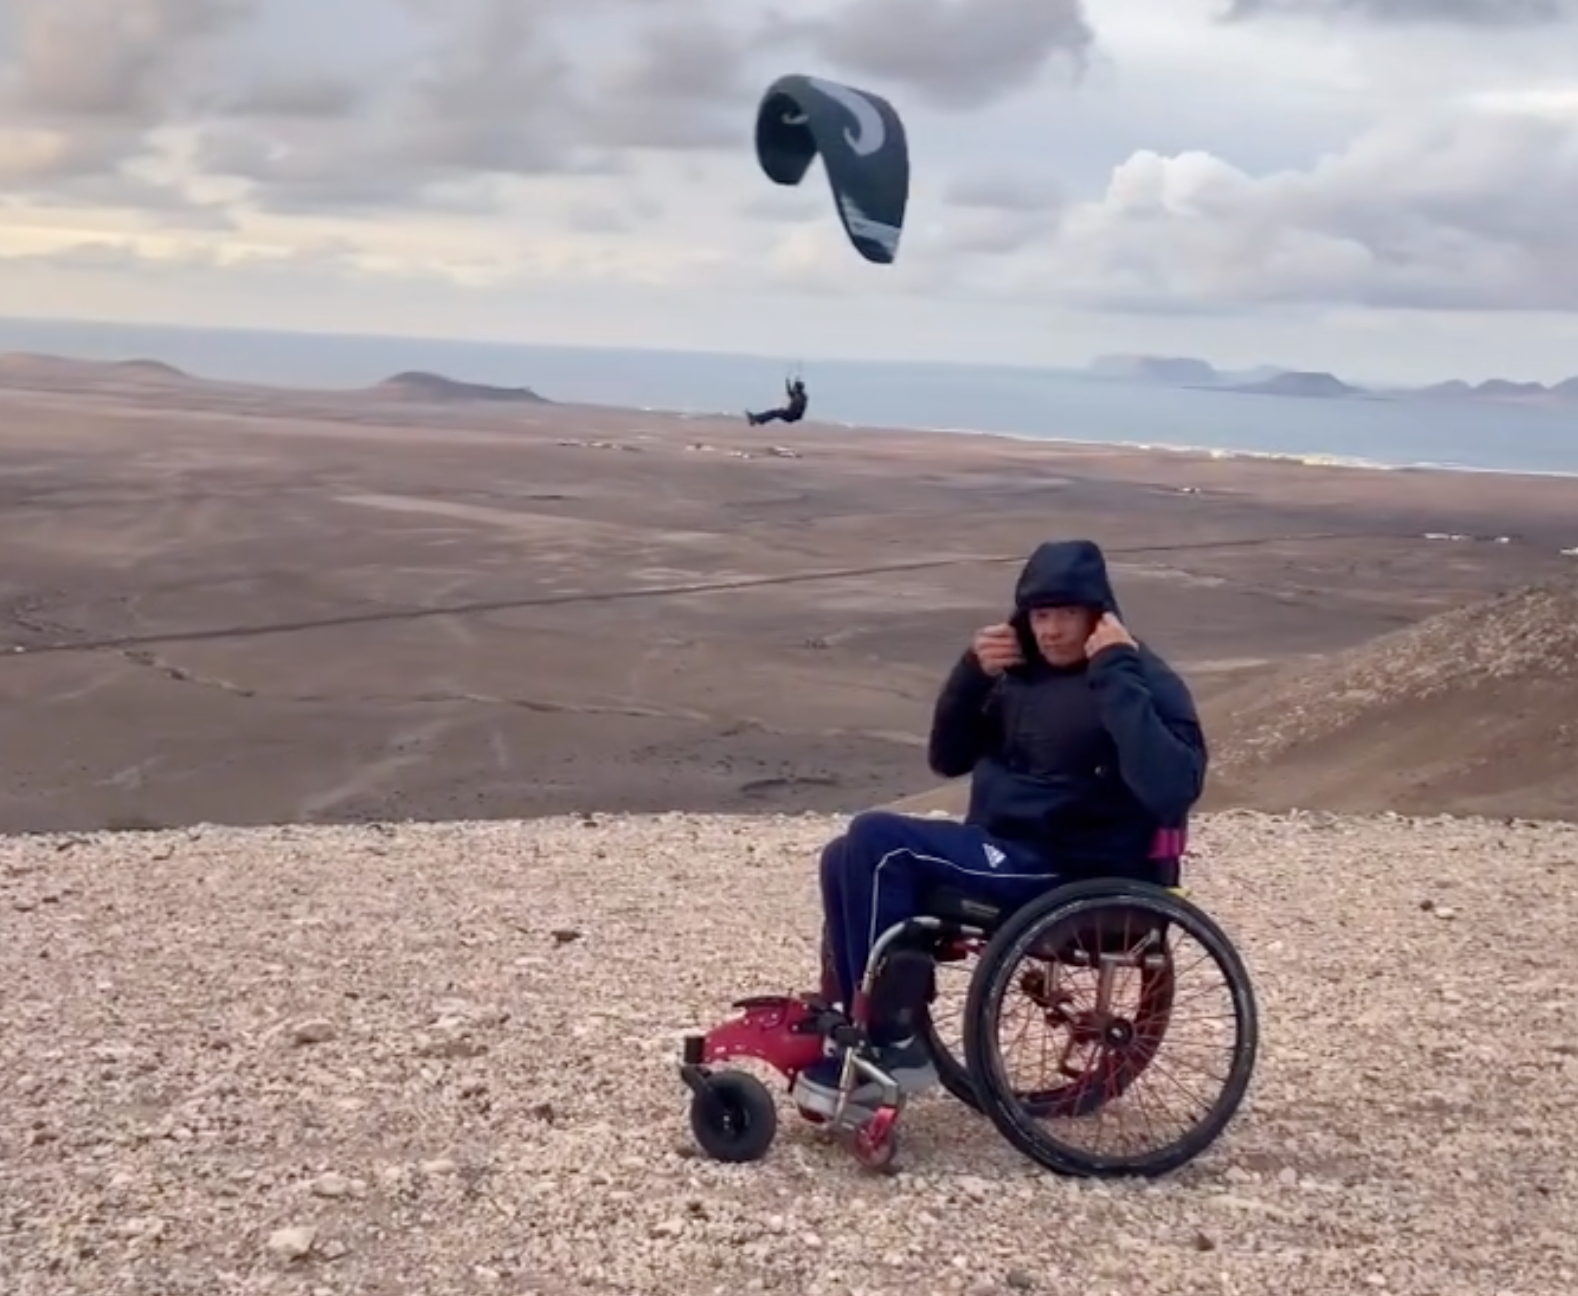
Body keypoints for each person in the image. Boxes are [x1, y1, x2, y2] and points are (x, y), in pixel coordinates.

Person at [788, 537, 1208, 1119]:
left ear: (1099, 614)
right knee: (844, 856)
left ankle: (890, 1042)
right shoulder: (1023, 678)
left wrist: (1115, 672)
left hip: (1076, 868)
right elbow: (948, 756)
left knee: (877, 840)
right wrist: (971, 677)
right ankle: (852, 1029)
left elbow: (1171, 787)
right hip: (1009, 848)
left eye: (1066, 614)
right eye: (1041, 615)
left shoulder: (1142, 678)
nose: (1052, 630)